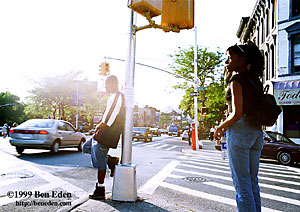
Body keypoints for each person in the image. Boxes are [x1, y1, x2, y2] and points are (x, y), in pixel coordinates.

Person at [214, 42, 264, 212]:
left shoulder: (237, 81)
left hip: (240, 130)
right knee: (252, 183)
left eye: (230, 58)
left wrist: (219, 127)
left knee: (242, 185)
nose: (227, 61)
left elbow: (236, 114)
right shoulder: (255, 80)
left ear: (242, 59)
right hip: (256, 132)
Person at [83, 75, 124, 200]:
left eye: (107, 84)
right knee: (86, 147)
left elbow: (110, 117)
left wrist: (99, 125)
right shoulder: (113, 97)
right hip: (103, 132)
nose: (105, 87)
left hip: (108, 133)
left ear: (113, 84)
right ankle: (111, 161)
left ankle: (100, 189)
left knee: (100, 161)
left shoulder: (118, 96)